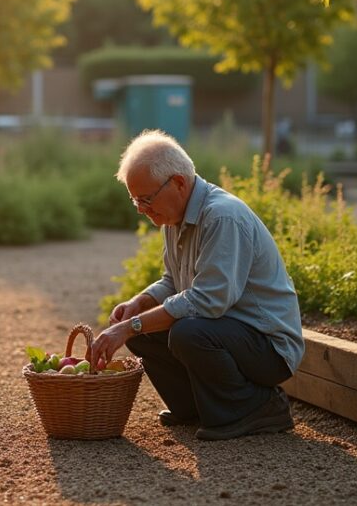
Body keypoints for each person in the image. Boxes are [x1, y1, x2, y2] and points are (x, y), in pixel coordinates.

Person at [89, 130, 304, 440]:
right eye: (135, 200)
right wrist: (139, 304)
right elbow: (173, 282)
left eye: (146, 199)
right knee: (140, 330)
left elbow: (207, 301)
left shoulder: (222, 217)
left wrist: (132, 325)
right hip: (230, 332)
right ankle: (195, 407)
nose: (140, 209)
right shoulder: (173, 217)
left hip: (269, 347)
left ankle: (259, 407)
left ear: (177, 182)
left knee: (186, 331)